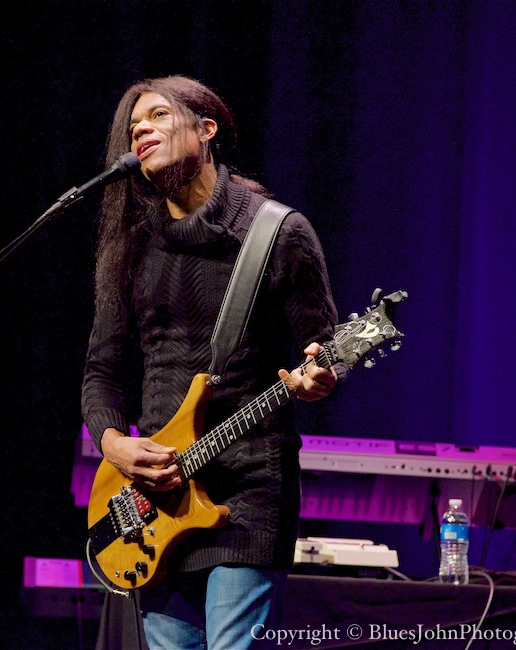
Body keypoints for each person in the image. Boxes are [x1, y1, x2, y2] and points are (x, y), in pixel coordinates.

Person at [81, 75, 344, 650]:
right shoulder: (131, 243)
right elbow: (101, 372)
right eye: (133, 127)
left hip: (248, 491)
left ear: (207, 128)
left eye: (155, 116)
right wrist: (112, 443)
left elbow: (326, 348)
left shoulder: (276, 231)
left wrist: (321, 374)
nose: (141, 130)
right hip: (156, 503)